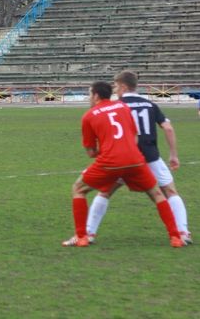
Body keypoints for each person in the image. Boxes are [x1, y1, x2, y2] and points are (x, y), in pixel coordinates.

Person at [62, 81, 184, 248]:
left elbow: (91, 152)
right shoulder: (122, 107)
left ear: (96, 95)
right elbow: (134, 137)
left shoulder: (89, 115)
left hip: (110, 162)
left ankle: (82, 237)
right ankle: (175, 237)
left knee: (78, 189)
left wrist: (106, 150)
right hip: (135, 159)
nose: (89, 98)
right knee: (157, 194)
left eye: (90, 94)